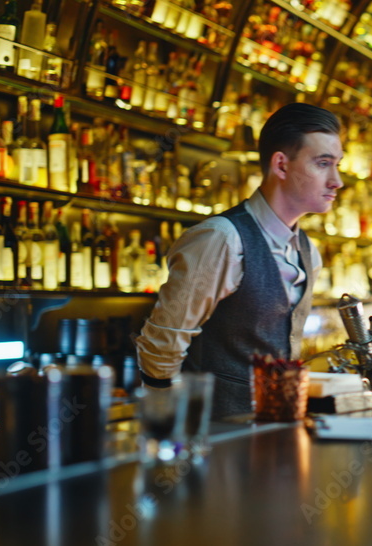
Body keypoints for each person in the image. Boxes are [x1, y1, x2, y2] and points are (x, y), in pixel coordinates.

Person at [135, 103, 344, 419]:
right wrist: (170, 425)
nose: (336, 180)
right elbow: (161, 346)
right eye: (323, 163)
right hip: (217, 433)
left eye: (337, 164)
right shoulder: (222, 238)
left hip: (278, 427)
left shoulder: (307, 250)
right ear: (281, 165)